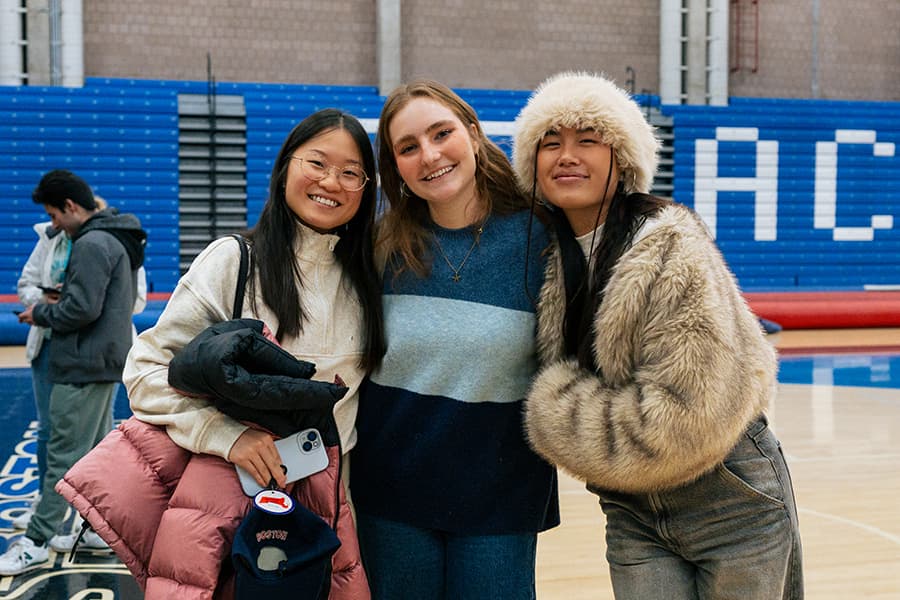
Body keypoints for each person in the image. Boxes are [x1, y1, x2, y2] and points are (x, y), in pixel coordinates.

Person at [512, 71, 803, 599]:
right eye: (549, 143)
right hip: (632, 509)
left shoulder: (669, 246)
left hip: (732, 501)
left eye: (587, 140)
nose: (566, 156)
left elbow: (681, 422)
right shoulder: (545, 258)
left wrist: (551, 410)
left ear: (622, 158)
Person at [102, 108, 385, 596]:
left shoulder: (368, 277)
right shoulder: (234, 261)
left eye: (350, 172)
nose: (330, 182)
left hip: (331, 509)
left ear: (365, 188)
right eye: (317, 163)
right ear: (285, 167)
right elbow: (146, 372)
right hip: (233, 505)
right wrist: (227, 436)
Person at [350, 79, 560, 599]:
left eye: (441, 133)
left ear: (472, 133)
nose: (429, 155)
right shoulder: (378, 249)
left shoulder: (540, 239)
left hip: (501, 496)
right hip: (391, 496)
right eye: (408, 147)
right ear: (395, 167)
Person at [0, 169, 146, 575]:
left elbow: (81, 309)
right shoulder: (118, 235)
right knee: (96, 454)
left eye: (54, 215)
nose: (54, 225)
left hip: (81, 363)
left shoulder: (91, 242)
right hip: (103, 361)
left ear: (70, 206)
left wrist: (40, 313)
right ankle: (99, 529)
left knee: (62, 455)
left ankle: (35, 542)